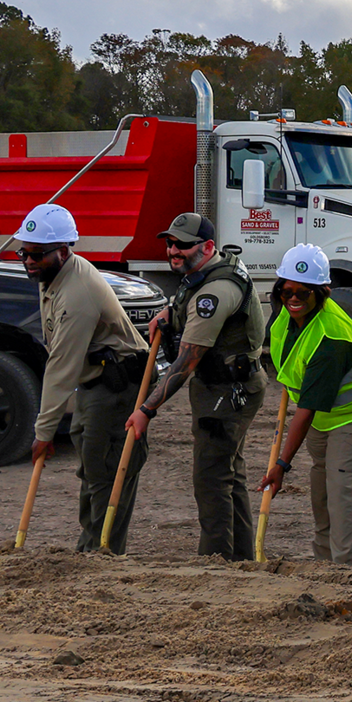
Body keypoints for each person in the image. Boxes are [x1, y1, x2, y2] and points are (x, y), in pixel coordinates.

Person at [126, 212, 266, 557]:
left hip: (227, 392)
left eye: (183, 245)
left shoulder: (217, 291)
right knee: (229, 475)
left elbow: (186, 362)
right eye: (170, 243)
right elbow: (186, 305)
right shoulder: (207, 270)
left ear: (207, 246)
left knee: (211, 479)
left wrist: (146, 409)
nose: (173, 250)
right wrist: (170, 315)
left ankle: (215, 562)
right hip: (226, 384)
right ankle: (242, 559)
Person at [18, 202, 150, 553]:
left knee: (107, 467)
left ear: (62, 251)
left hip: (118, 384)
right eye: (24, 253)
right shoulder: (53, 276)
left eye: (37, 254)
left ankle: (102, 550)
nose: (29, 260)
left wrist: (43, 432)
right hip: (94, 382)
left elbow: (61, 365)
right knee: (91, 465)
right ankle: (89, 546)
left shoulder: (77, 293)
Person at [257, 245, 352, 564]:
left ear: (322, 293)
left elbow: (306, 409)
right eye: (286, 290)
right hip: (327, 412)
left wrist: (281, 465)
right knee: (320, 484)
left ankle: (348, 567)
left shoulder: (331, 339)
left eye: (303, 293)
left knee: (340, 485)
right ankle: (324, 562)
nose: (293, 298)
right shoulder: (284, 314)